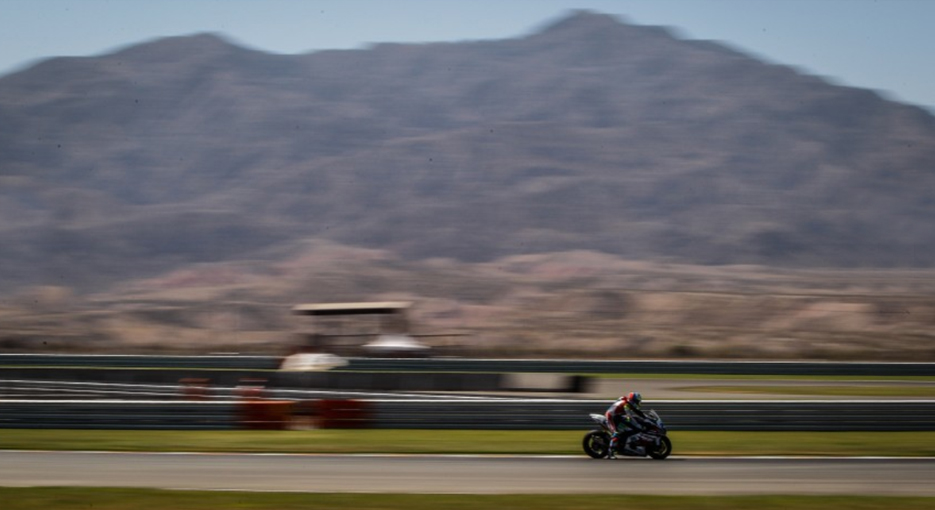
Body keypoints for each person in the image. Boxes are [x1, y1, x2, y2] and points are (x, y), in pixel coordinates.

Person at [604, 391, 646, 459]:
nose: (638, 403)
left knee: (625, 428)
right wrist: (636, 424)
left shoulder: (628, 403)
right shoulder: (626, 405)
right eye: (637, 401)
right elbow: (629, 416)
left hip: (616, 416)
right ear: (633, 400)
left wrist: (645, 417)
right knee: (616, 433)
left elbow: (637, 411)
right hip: (610, 417)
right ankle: (610, 453)